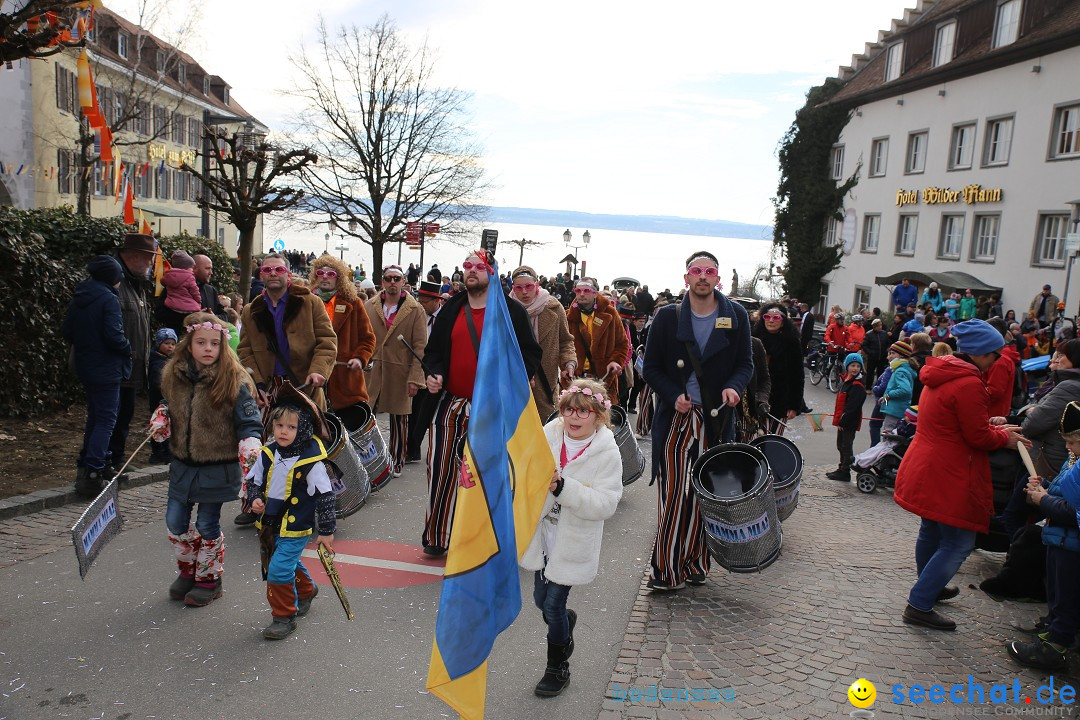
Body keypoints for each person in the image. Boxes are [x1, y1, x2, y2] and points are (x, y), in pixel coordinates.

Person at [894, 319, 1028, 630]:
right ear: (981, 353)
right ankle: (920, 602)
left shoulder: (943, 371)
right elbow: (976, 437)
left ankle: (930, 587)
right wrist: (1002, 438)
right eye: (995, 354)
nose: (997, 360)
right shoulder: (969, 383)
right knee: (959, 540)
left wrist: (995, 428)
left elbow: (957, 424)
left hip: (929, 462)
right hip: (950, 469)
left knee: (932, 529)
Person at [641, 250, 753, 591]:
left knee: (706, 495)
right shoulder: (667, 318)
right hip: (677, 419)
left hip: (717, 421)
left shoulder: (735, 315)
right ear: (686, 277)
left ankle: (694, 563)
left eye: (709, 271)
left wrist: (734, 388)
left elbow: (745, 364)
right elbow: (650, 369)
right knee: (675, 495)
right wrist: (673, 394)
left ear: (717, 278)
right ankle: (665, 569)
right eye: (696, 270)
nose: (702, 276)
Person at [422, 250, 542, 556]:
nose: (471, 271)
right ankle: (438, 535)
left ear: (491, 272)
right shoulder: (452, 309)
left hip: (492, 408)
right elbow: (433, 351)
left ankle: (482, 537)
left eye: (478, 267)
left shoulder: (511, 312)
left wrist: (514, 383)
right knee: (440, 468)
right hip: (452, 404)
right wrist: (434, 373)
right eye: (467, 267)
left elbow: (529, 354)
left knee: (486, 474)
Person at [519, 379, 623, 697]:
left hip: (573, 541)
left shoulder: (607, 452)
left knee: (551, 606)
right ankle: (565, 621)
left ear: (598, 415)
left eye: (583, 411)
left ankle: (557, 668)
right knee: (541, 601)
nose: (574, 417)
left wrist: (563, 488)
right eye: (568, 409)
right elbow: (522, 469)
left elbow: (606, 503)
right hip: (542, 537)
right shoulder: (547, 435)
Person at [154, 313, 263, 606]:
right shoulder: (173, 376)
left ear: (222, 346)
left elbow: (250, 422)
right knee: (175, 522)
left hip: (217, 466)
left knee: (206, 524)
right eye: (201, 342)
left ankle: (209, 578)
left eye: (214, 343)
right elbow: (172, 404)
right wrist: (163, 415)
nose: (207, 349)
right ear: (188, 344)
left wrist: (251, 451)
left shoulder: (234, 381)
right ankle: (188, 570)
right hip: (182, 465)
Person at [234, 254, 337, 525]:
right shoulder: (251, 309)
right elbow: (244, 350)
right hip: (271, 392)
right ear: (261, 275)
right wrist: (256, 383)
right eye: (267, 269)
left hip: (304, 386)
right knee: (272, 449)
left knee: (310, 449)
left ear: (288, 274)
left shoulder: (310, 303)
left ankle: (318, 507)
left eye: (279, 269)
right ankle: (259, 503)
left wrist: (319, 370)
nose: (273, 273)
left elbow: (327, 341)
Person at [245, 398, 336, 640]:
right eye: (279, 426)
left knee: (277, 570)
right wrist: (253, 500)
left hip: (296, 526)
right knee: (286, 563)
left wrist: (326, 531)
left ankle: (284, 617)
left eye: (291, 427)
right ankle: (307, 589)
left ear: (303, 429)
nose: (284, 431)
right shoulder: (267, 454)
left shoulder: (311, 462)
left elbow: (326, 496)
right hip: (269, 524)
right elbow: (253, 482)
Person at [1006, 402, 1080, 671]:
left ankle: (1054, 649)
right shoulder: (1075, 462)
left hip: (1070, 542)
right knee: (1057, 593)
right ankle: (1054, 635)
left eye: (1072, 442)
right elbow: (1063, 494)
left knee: (1066, 595)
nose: (1068, 447)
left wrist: (1043, 499)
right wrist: (1045, 488)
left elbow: (1074, 511)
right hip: (1060, 539)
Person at [64, 256, 133, 498]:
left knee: (95, 416)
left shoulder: (80, 297)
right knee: (106, 418)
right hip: (107, 367)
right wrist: (127, 347)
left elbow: (67, 330)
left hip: (86, 366)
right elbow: (114, 335)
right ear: (112, 277)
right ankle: (94, 471)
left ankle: (89, 465)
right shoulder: (108, 299)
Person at [363, 264, 427, 481]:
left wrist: (416, 379)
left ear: (403, 282)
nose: (392, 282)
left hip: (400, 369)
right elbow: (360, 337)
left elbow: (420, 346)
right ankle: (368, 461)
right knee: (364, 415)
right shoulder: (369, 306)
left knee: (400, 420)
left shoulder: (415, 309)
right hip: (372, 369)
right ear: (382, 281)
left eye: (396, 279)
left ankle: (397, 460)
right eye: (388, 278)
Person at [308, 255, 377, 432]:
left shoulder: (353, 303)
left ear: (338, 277)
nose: (324, 276)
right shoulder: (306, 302)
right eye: (320, 272)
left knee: (350, 436)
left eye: (330, 273)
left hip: (345, 381)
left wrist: (360, 359)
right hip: (313, 378)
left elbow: (368, 338)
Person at [111, 233, 155, 479]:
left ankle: (116, 459)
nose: (151, 265)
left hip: (133, 366)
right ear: (134, 257)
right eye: (149, 259)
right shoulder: (117, 283)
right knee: (113, 416)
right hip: (119, 365)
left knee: (125, 415)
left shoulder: (136, 283)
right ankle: (106, 461)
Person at [510, 266, 577, 421]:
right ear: (513, 288)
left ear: (537, 286)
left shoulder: (554, 308)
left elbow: (566, 341)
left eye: (529, 286)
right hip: (513, 383)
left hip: (546, 383)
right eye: (519, 287)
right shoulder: (505, 310)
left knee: (546, 433)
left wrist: (569, 363)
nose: (524, 292)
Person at [1022, 340, 1080, 478]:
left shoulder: (1069, 386)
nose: (1057, 360)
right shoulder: (1065, 383)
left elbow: (1031, 425)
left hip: (1050, 462)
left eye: (1061, 355)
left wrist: (1031, 410)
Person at [566, 279, 628, 405]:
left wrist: (615, 361)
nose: (582, 294)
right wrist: (565, 366)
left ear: (595, 293)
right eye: (578, 290)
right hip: (575, 379)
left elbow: (622, 344)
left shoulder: (610, 313)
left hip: (604, 378)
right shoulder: (568, 316)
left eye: (587, 290)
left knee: (602, 420)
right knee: (576, 417)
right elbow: (562, 346)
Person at [407, 281, 445, 463]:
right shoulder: (418, 315)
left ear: (436, 300)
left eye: (425, 302)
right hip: (418, 367)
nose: (421, 305)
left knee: (427, 412)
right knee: (415, 412)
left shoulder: (445, 317)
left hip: (436, 372)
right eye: (419, 300)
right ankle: (413, 448)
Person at [752, 303, 803, 435]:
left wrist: (794, 405)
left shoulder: (791, 342)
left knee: (773, 440)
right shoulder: (753, 338)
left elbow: (797, 375)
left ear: (783, 321)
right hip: (754, 397)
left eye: (776, 318)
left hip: (780, 399)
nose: (771, 320)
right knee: (752, 439)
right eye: (767, 316)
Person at [826, 353, 866, 482]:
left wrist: (843, 421)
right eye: (852, 365)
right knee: (841, 445)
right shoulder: (846, 382)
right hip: (843, 421)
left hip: (849, 422)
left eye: (858, 366)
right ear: (847, 366)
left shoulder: (857, 385)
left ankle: (845, 471)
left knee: (846, 446)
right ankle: (842, 468)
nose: (855, 368)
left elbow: (852, 407)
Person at [148, 328, 177, 464]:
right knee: (158, 425)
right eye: (167, 343)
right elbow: (157, 382)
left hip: (171, 399)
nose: (170, 346)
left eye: (172, 343)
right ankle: (157, 452)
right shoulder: (156, 361)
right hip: (159, 400)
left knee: (170, 426)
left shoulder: (173, 360)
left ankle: (168, 451)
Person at [880, 340, 917, 435]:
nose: (890, 356)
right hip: (896, 409)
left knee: (888, 439)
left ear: (901, 355)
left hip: (894, 411)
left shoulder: (900, 371)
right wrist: (885, 398)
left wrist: (888, 395)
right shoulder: (903, 369)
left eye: (893, 353)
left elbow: (905, 390)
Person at [163, 250, 202, 317]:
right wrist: (199, 300)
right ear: (186, 268)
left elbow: (162, 281)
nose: (192, 270)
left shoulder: (167, 276)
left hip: (171, 305)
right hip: (188, 308)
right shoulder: (189, 277)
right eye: (191, 267)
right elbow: (195, 291)